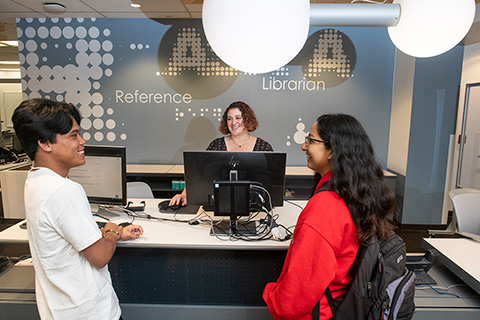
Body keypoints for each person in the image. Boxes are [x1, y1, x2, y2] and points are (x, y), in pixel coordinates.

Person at [12, 98, 144, 320]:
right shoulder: (64, 191)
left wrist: (116, 233)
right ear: (45, 143)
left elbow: (68, 237)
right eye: (73, 135)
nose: (82, 141)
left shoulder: (36, 181)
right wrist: (111, 230)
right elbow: (100, 256)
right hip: (89, 313)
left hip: (61, 310)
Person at [262, 114, 397, 320]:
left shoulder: (325, 208)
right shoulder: (356, 194)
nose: (303, 147)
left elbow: (290, 304)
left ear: (332, 150)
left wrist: (271, 293)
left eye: (311, 140)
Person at [170, 101, 273, 206]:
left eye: (238, 118)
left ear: (247, 119)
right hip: (221, 204)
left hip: (255, 206)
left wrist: (271, 199)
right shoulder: (217, 145)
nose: (233, 123)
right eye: (229, 119)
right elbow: (198, 173)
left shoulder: (264, 147)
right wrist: (184, 195)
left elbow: (271, 181)